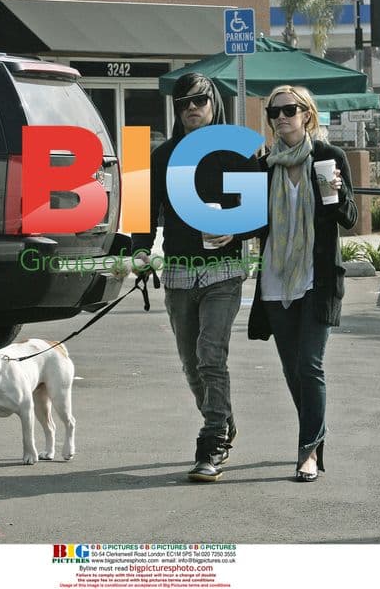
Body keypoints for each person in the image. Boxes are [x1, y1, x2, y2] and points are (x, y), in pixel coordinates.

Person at [131, 73, 259, 482]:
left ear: (213, 103)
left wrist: (236, 230)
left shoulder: (238, 152)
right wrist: (137, 252)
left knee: (210, 354)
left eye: (199, 101)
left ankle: (212, 439)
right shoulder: (160, 156)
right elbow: (141, 213)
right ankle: (223, 418)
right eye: (183, 102)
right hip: (178, 274)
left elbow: (260, 214)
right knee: (191, 364)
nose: (191, 108)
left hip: (224, 272)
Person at [248, 85, 357, 481]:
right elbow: (255, 223)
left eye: (289, 110)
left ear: (306, 114)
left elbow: (348, 218)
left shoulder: (329, 158)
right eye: (274, 112)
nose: (281, 118)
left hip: (317, 278)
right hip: (276, 280)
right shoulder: (264, 166)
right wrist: (229, 231)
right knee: (292, 371)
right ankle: (314, 433)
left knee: (310, 365)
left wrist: (336, 193)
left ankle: (308, 450)